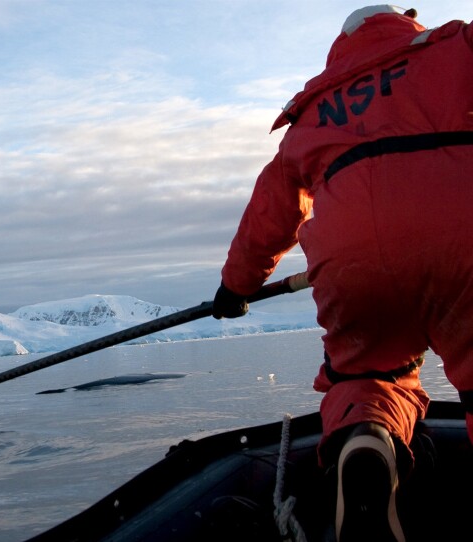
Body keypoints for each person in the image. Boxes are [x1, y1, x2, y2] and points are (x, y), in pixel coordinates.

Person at [210, 5, 473, 542]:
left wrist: (235, 287)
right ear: (407, 24)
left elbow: (269, 214)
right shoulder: (460, 49)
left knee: (368, 374)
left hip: (352, 266)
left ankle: (366, 435)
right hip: (462, 242)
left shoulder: (311, 111)